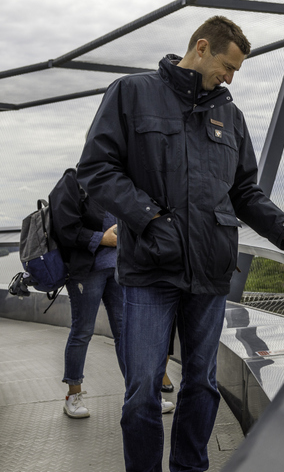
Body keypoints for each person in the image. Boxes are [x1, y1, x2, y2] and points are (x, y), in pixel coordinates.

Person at [77, 16, 284, 471]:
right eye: (228, 67)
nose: (230, 78)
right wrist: (150, 217)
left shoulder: (231, 116)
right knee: (142, 390)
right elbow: (96, 169)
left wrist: (282, 227)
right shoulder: (131, 93)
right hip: (150, 269)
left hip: (210, 270)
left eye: (235, 71)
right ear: (202, 47)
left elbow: (244, 190)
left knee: (202, 385)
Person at [51, 168, 176, 419]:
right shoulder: (73, 180)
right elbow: (65, 228)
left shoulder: (118, 182)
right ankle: (73, 395)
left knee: (126, 334)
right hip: (86, 272)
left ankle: (141, 396)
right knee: (82, 331)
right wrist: (102, 239)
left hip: (120, 269)